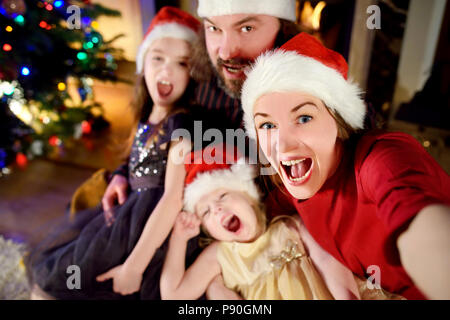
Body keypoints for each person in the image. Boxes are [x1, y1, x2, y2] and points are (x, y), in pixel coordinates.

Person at [240, 32, 450, 299]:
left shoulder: (379, 158)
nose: (282, 145)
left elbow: (420, 223)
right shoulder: (290, 187)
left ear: (338, 121)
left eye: (304, 117)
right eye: (267, 125)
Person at [28, 6, 200, 299]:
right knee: (54, 274)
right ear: (143, 63)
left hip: (146, 229)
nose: (166, 70)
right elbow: (136, 160)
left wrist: (135, 265)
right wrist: (121, 175)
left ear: (194, 73)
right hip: (125, 213)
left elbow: (173, 197)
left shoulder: (181, 123)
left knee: (58, 282)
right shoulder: (148, 115)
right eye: (157, 58)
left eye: (181, 63)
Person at [159, 146, 404, 300]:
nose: (218, 209)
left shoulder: (291, 225)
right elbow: (173, 295)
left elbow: (328, 261)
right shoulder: (220, 256)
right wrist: (178, 239)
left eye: (223, 196)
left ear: (249, 196)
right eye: (206, 212)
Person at [190, 0, 301, 131]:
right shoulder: (193, 87)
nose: (226, 54)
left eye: (247, 28)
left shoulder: (310, 102)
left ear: (284, 29)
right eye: (214, 28)